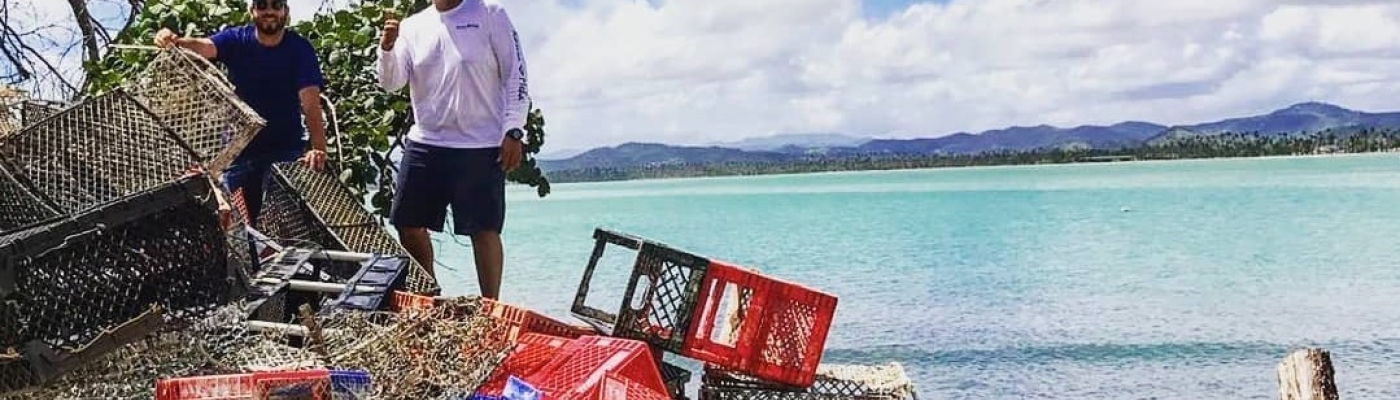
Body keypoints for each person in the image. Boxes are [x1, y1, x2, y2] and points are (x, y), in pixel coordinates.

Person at [376, 0, 530, 299]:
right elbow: (391, 83)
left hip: (480, 143)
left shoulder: (490, 13)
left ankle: (490, 309)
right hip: (427, 141)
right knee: (408, 225)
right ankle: (430, 296)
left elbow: (516, 74)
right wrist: (386, 49)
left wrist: (513, 129)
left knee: (483, 229)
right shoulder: (412, 26)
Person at [154, 0, 329, 226]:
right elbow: (204, 46)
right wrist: (174, 40)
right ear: (252, 11)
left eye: (276, 6)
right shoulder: (237, 39)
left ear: (285, 11)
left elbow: (310, 102)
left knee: (285, 225)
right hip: (240, 152)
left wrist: (318, 149)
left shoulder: (299, 48)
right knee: (235, 227)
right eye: (262, 6)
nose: (269, 12)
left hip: (285, 152)